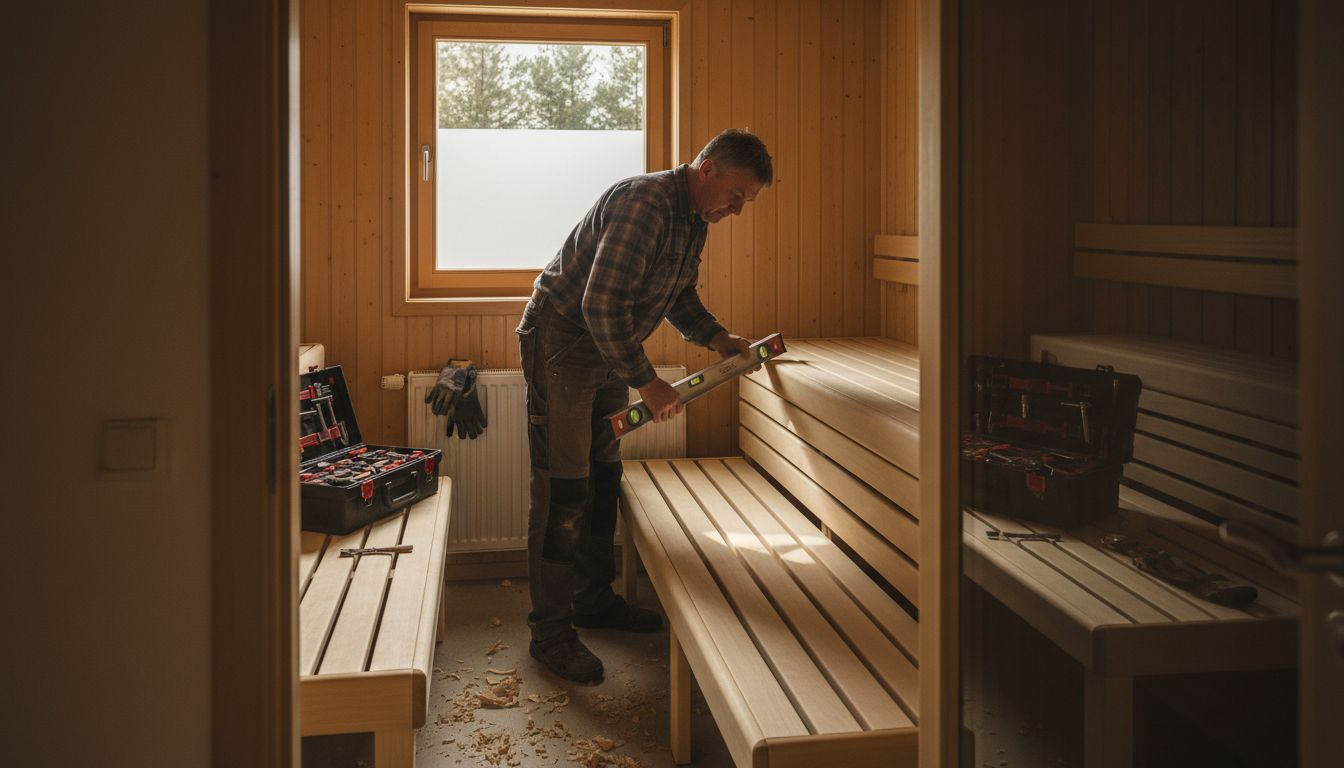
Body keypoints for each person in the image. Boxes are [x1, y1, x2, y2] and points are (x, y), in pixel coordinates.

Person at [516, 128, 773, 683]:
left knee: (604, 477)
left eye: (745, 202)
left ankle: (592, 599)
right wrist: (648, 382)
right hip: (563, 343)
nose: (737, 210)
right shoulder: (646, 204)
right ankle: (551, 632)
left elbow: (678, 295)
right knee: (563, 488)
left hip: (607, 345)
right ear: (708, 170)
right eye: (737, 196)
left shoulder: (691, 219)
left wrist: (716, 337)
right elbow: (601, 302)